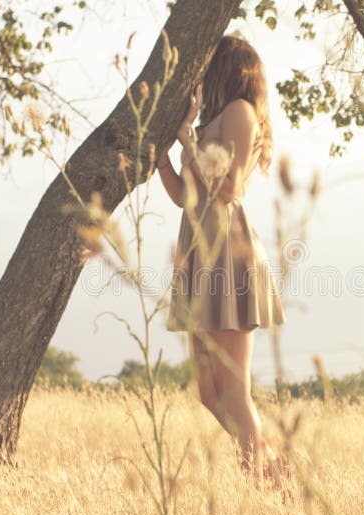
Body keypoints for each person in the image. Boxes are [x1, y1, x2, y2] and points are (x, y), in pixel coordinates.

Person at [156, 35, 288, 484]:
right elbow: (182, 197)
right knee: (207, 391)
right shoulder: (213, 118)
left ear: (229, 69)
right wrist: (162, 155)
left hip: (227, 252)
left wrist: (188, 140)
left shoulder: (240, 113)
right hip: (198, 250)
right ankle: (275, 471)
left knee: (233, 391)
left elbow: (230, 188)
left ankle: (268, 482)